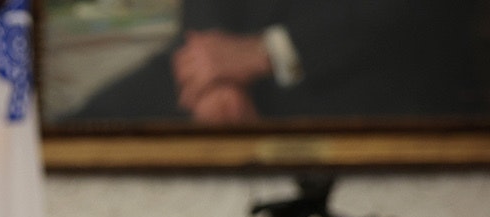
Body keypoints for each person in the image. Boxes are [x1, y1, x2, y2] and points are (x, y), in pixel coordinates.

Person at [66, 1, 487, 124]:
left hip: (365, 75)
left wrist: (269, 52)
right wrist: (214, 77)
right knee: (73, 140)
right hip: (226, 58)